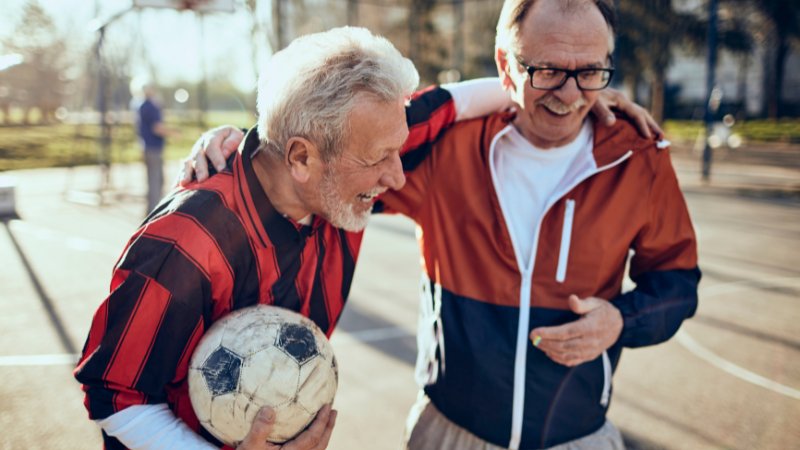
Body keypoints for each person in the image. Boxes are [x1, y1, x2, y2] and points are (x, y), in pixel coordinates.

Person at [192, 1, 699, 449]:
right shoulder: (448, 149)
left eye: (589, 72)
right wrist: (253, 145)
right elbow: (337, 153)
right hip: (448, 433)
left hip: (580, 437)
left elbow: (677, 284)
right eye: (545, 70)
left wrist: (620, 321)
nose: (568, 95)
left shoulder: (639, 159)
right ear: (506, 64)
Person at [75, 27, 424, 450]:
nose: (397, 176)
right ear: (300, 157)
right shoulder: (187, 241)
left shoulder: (346, 178)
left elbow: (474, 98)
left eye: (398, 150)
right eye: (376, 159)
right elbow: (113, 394)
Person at [132, 81, 171, 213]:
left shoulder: (140, 105)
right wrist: (173, 133)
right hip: (154, 147)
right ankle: (155, 211)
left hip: (146, 146)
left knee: (152, 180)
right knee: (156, 181)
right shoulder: (150, 107)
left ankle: (151, 209)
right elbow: (157, 128)